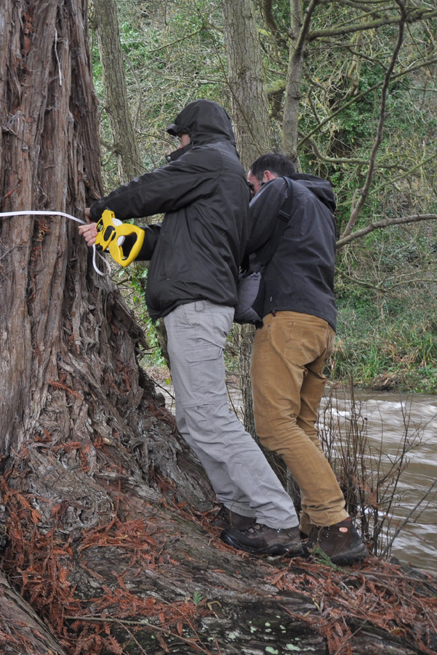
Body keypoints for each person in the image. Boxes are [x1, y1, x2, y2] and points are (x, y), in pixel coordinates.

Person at [79, 100, 302, 556]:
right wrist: (109, 235)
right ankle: (240, 509)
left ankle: (279, 520)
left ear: (194, 133)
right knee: (193, 420)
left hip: (198, 307)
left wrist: (102, 208)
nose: (176, 144)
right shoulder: (225, 180)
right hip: (197, 304)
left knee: (211, 418)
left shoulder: (211, 160)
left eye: (179, 135)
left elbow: (150, 191)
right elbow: (170, 241)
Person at [242, 152, 366, 565]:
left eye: (251, 187)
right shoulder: (320, 206)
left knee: (275, 427)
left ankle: (337, 524)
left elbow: (239, 237)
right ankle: (315, 526)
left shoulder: (279, 189)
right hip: (322, 325)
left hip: (288, 320)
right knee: (301, 426)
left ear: (269, 176)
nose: (251, 193)